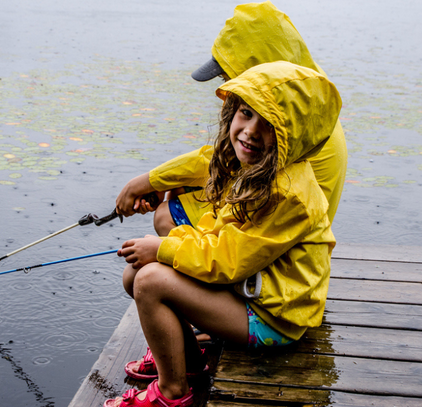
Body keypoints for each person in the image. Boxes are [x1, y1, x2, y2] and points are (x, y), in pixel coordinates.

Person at [104, 61, 342, 407]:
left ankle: (172, 392)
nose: (250, 130)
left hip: (274, 319)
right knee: (135, 275)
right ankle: (185, 362)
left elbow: (228, 262)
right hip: (245, 293)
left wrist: (164, 249)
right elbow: (216, 229)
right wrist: (159, 204)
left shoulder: (288, 195)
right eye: (246, 113)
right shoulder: (253, 165)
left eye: (269, 124)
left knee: (150, 280)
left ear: (293, 136)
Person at [116, 1, 347, 232]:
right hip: (270, 200)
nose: (226, 89)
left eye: (229, 77)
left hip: (277, 228)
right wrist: (159, 181)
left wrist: (143, 183)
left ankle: (173, 266)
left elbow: (228, 165)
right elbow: (224, 163)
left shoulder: (285, 115)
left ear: (258, 69)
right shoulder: (305, 93)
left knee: (166, 215)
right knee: (180, 188)